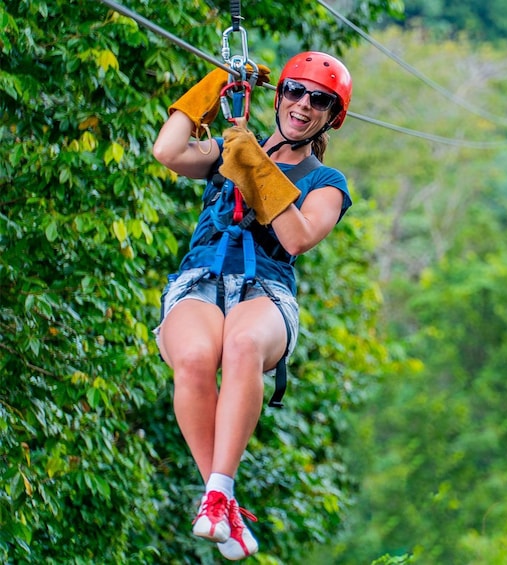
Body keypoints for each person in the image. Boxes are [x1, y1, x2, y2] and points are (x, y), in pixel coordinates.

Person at [151, 51, 353, 560]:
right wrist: (217, 84)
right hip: (202, 277)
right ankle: (221, 497)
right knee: (194, 358)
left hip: (264, 289)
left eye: (320, 100)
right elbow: (168, 151)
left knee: (241, 345)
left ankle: (220, 492)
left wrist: (255, 164)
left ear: (332, 116)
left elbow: (298, 236)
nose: (303, 105)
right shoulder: (228, 148)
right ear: (279, 94)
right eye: (295, 92)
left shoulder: (327, 183)